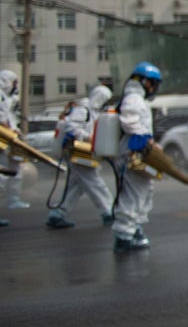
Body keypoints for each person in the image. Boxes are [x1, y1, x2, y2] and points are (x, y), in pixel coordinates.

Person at [46, 85, 115, 229]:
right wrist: (87, 137)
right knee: (95, 183)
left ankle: (58, 214)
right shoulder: (84, 110)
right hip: (79, 151)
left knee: (76, 186)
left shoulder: (93, 112)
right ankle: (108, 212)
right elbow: (72, 127)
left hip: (84, 152)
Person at [114, 62, 162, 252]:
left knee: (144, 191)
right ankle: (123, 236)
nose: (154, 88)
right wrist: (146, 140)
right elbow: (129, 122)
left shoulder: (137, 98)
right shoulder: (133, 98)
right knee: (132, 195)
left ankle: (134, 229)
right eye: (153, 83)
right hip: (131, 154)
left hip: (138, 153)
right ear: (143, 81)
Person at [0, 68, 30, 211]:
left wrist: (16, 131)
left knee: (15, 169)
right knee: (3, 174)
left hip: (10, 138)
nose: (15, 86)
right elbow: (2, 119)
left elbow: (11, 118)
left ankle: (13, 199)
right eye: (13, 83)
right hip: (2, 139)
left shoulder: (9, 98)